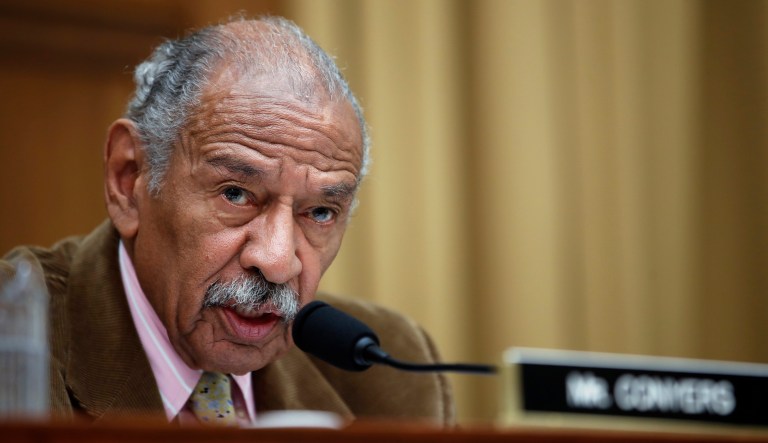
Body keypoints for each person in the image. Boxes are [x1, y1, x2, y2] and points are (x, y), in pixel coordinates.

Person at [0, 17, 453, 426]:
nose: (277, 262)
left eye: (319, 212)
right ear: (129, 178)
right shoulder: (14, 338)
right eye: (236, 194)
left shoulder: (391, 371)